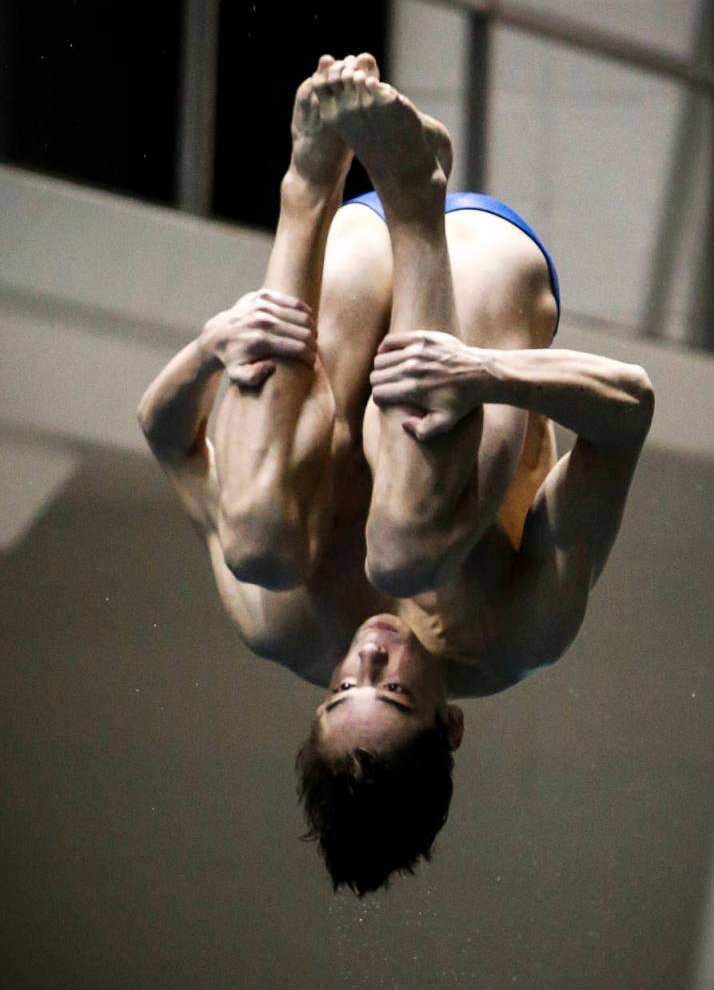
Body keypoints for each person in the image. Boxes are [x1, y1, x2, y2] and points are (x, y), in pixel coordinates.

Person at [137, 54, 654, 895]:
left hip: (340, 265)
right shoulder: (522, 632)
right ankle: (419, 197)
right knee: (409, 551)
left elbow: (165, 436)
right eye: (394, 691)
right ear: (449, 725)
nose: (370, 654)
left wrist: (212, 345)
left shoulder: (279, 625)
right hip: (479, 266)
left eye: (342, 686)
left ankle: (307, 186)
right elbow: (628, 407)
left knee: (263, 543)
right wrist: (489, 373)